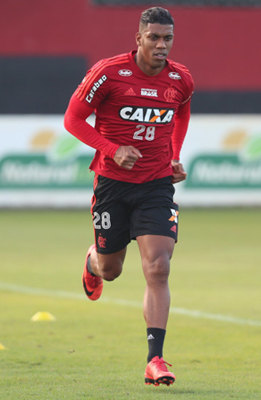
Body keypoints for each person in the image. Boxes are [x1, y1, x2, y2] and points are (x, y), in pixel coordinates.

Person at [63, 7, 194, 387]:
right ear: (138, 38)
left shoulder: (180, 79)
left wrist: (174, 155)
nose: (161, 45)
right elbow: (72, 119)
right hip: (112, 185)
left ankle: (156, 359)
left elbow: (181, 114)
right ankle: (92, 262)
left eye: (167, 38)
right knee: (112, 269)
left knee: (158, 267)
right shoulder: (108, 73)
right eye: (153, 37)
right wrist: (110, 147)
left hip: (155, 185)